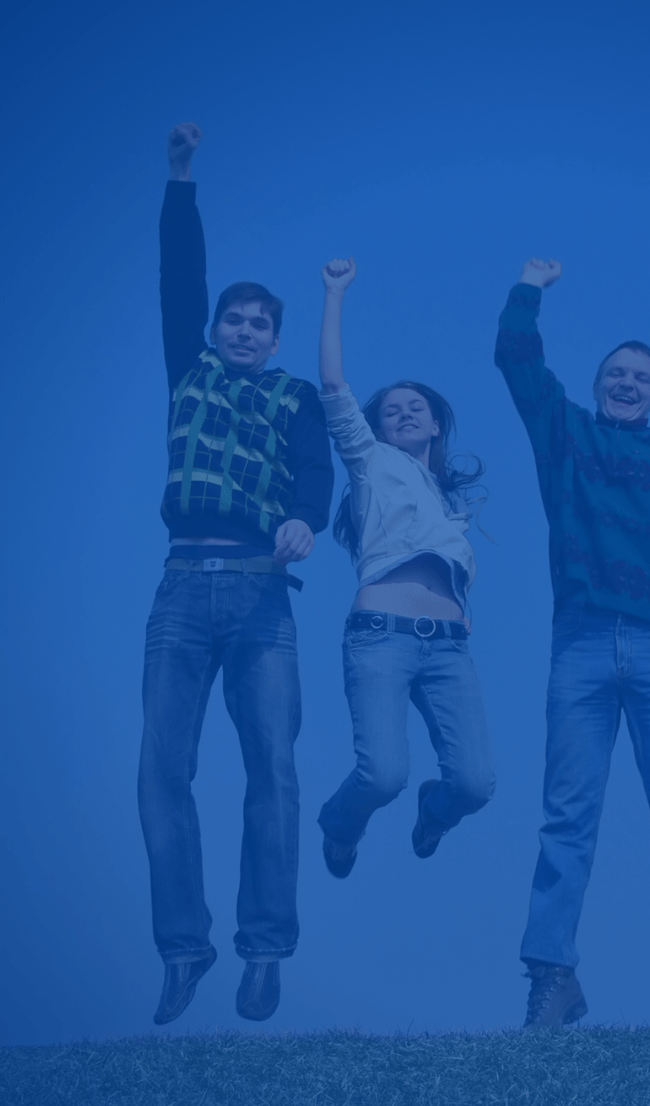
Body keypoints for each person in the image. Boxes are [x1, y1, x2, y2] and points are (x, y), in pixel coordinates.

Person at [495, 258, 650, 1026]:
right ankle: (551, 977)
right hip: (582, 644)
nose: (626, 383)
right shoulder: (564, 434)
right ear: (596, 384)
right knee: (566, 814)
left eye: (640, 378)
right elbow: (516, 359)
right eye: (615, 374)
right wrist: (528, 288)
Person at [137, 124, 333, 1025]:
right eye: (234, 320)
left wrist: (304, 520)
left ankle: (265, 951)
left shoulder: (293, 397)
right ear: (215, 331)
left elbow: (315, 476)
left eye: (260, 324)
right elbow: (179, 278)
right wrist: (181, 178)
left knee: (274, 773)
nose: (245, 331)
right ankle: (184, 949)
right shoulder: (191, 373)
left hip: (261, 592)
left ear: (274, 338)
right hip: (181, 590)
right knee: (161, 771)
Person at [315, 256, 494, 880]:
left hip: (448, 648)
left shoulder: (448, 506)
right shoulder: (371, 463)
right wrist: (335, 294)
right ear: (377, 428)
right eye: (392, 410)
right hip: (381, 638)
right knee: (382, 775)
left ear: (436, 424)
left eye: (417, 407)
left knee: (474, 784)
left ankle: (434, 812)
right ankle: (340, 826)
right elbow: (333, 387)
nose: (406, 413)